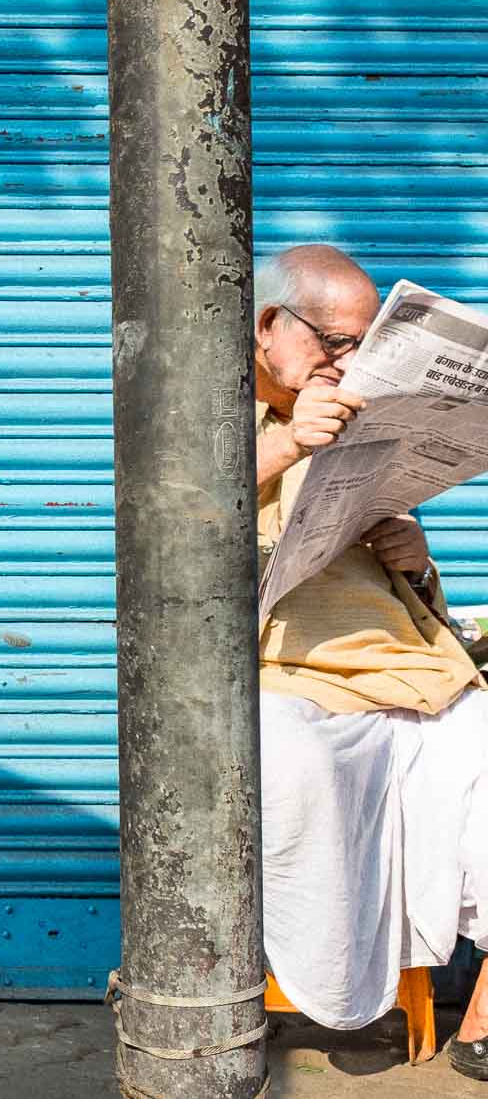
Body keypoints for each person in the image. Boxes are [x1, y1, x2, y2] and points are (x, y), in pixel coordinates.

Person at [252, 244, 488, 1078]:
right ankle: (330, 984)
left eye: (365, 347)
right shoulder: (205, 420)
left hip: (403, 664)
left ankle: (484, 1012)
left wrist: (415, 553)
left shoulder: (357, 413)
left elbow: (425, 599)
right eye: (337, 343)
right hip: (285, 671)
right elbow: (170, 547)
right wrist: (281, 449)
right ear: (270, 329)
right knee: (293, 759)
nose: (350, 364)